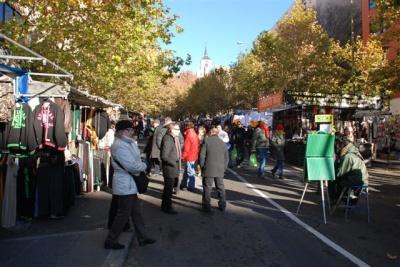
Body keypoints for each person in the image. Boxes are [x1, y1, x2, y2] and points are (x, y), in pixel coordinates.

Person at [104, 120, 155, 250]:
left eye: (132, 130)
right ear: (122, 131)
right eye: (129, 130)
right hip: (124, 183)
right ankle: (110, 240)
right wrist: (144, 165)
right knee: (123, 214)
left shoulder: (128, 143)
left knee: (136, 213)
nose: (132, 132)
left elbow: (135, 160)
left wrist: (140, 163)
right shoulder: (120, 145)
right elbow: (132, 166)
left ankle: (143, 238)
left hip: (129, 183)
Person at [330, 137, 369, 203]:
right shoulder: (355, 152)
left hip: (357, 181)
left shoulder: (348, 156)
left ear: (343, 145)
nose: (337, 148)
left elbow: (340, 173)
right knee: (341, 179)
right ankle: (342, 198)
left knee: (333, 180)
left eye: (338, 146)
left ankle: (335, 199)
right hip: (363, 180)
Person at [199, 127, 229, 212]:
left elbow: (202, 156)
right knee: (220, 187)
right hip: (220, 169)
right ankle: (222, 204)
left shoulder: (206, 141)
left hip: (208, 168)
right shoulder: (222, 143)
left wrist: (202, 166)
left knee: (207, 188)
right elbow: (227, 158)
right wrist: (224, 168)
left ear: (210, 133)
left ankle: (206, 206)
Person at [160, 123, 181, 214]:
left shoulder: (172, 138)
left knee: (169, 188)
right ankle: (166, 207)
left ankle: (166, 205)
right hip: (169, 168)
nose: (179, 131)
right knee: (168, 189)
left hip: (172, 167)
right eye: (177, 129)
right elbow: (164, 156)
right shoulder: (168, 139)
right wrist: (173, 163)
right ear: (171, 130)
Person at [180, 121, 200, 192]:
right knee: (187, 170)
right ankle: (184, 184)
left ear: (186, 127)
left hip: (189, 156)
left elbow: (186, 148)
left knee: (190, 171)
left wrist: (182, 157)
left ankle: (191, 186)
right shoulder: (194, 133)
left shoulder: (189, 135)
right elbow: (198, 144)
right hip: (194, 155)